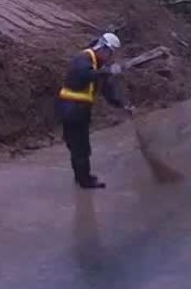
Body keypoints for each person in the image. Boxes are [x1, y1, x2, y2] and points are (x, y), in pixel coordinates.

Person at [55, 32, 133, 190]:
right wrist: (108, 71)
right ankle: (85, 181)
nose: (110, 57)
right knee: (79, 147)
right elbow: (85, 75)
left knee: (80, 146)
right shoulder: (83, 59)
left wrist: (123, 105)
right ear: (103, 48)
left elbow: (107, 90)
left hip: (80, 111)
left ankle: (81, 177)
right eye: (110, 53)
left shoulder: (98, 66)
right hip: (71, 109)